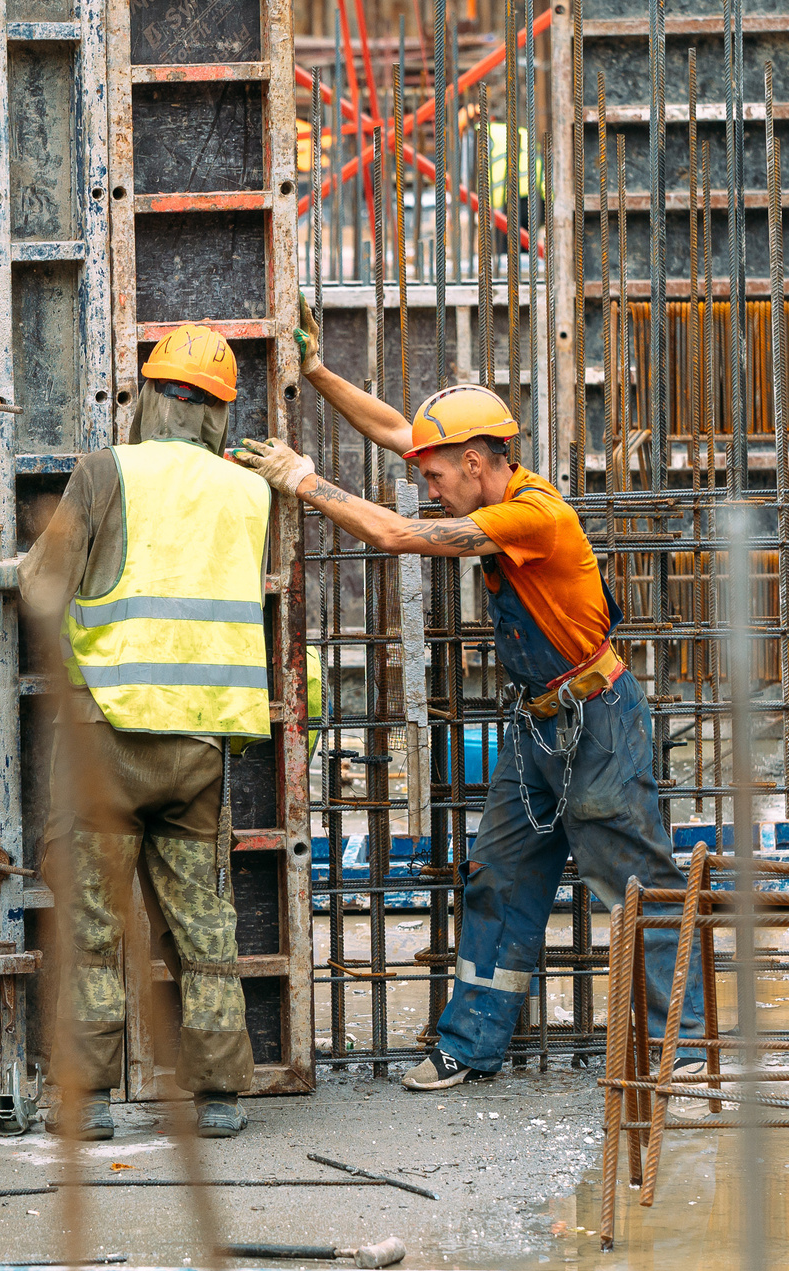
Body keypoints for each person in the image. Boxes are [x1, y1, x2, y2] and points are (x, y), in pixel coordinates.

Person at [235, 311, 689, 1091]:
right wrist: (316, 372)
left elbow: (395, 537)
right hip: (539, 724)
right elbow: (396, 430)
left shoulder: (532, 516)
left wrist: (303, 480)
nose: (429, 488)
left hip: (598, 725)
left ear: (476, 462)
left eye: (437, 476)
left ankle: (680, 1047)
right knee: (498, 878)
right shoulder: (486, 483)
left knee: (636, 890)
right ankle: (470, 1044)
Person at [9, 323, 271, 1138]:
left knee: (91, 924)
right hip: (200, 748)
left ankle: (87, 1099)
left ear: (151, 395)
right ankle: (220, 1095)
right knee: (203, 923)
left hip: (107, 740)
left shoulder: (104, 472)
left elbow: (43, 590)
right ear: (220, 411)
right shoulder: (249, 491)